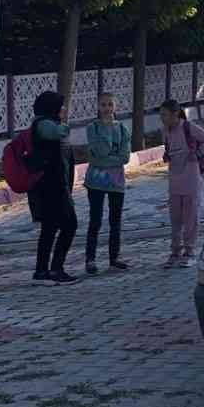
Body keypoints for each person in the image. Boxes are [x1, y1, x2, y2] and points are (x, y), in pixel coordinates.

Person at [28, 91, 80, 284]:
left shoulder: (48, 122)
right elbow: (58, 133)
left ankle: (43, 271)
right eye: (60, 105)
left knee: (50, 228)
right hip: (50, 187)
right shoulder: (44, 124)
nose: (63, 109)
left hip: (56, 186)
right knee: (69, 225)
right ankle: (55, 269)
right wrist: (64, 125)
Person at [159, 100, 204, 268]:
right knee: (175, 219)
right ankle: (175, 252)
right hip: (174, 180)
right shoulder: (166, 131)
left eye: (164, 115)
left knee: (191, 218)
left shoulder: (188, 127)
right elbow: (170, 149)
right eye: (161, 115)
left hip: (191, 179)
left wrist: (198, 153)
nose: (162, 118)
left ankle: (190, 252)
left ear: (175, 114)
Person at [83, 92, 132, 274]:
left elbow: (125, 157)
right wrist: (106, 131)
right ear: (98, 106)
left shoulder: (123, 129)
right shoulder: (93, 128)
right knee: (95, 220)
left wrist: (104, 160)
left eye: (110, 104)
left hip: (116, 182)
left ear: (115, 106)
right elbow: (99, 153)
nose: (107, 108)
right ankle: (90, 259)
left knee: (115, 220)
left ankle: (114, 258)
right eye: (103, 104)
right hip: (96, 182)